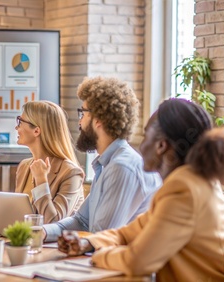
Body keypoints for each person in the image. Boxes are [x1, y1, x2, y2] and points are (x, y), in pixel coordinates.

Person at [58, 99, 224, 281]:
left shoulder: (184, 190)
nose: (140, 146)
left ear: (161, 146)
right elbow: (128, 232)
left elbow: (138, 261)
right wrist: (88, 243)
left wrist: (97, 256)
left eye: (146, 136)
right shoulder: (193, 182)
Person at [42, 76, 161, 242]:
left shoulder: (122, 167)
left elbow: (101, 236)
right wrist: (41, 232)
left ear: (98, 120)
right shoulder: (107, 164)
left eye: (82, 113)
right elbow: (82, 221)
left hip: (121, 264)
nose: (80, 121)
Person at [15, 101, 84, 224]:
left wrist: (41, 180)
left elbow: (53, 222)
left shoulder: (71, 173)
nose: (16, 127)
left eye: (20, 122)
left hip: (52, 242)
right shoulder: (24, 166)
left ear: (36, 131)